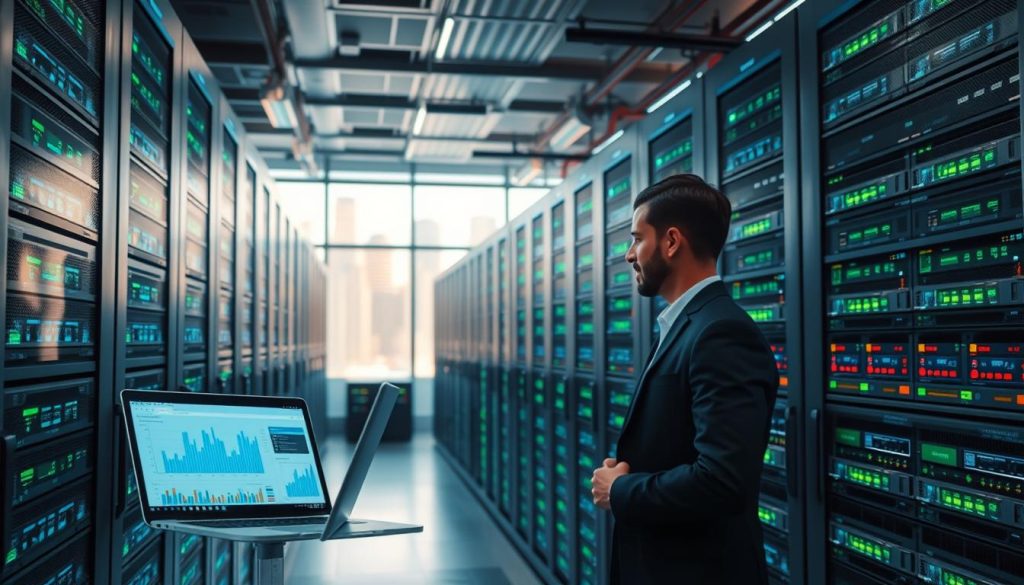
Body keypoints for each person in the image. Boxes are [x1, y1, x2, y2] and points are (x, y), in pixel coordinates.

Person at [590, 173, 779, 585]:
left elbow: (722, 480)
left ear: (672, 242)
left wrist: (621, 490)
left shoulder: (721, 333)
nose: (628, 255)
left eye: (637, 238)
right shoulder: (688, 325)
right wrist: (629, 472)